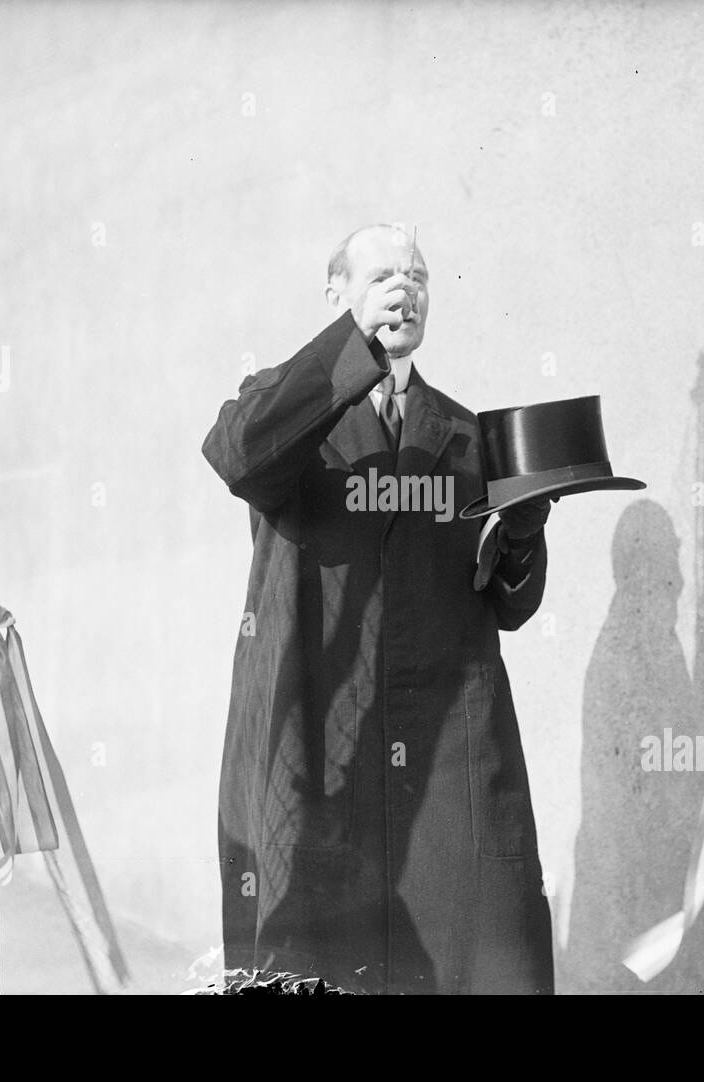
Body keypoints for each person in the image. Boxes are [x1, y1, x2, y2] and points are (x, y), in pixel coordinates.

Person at [203, 223, 554, 993]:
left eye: (420, 275)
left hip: (449, 740)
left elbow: (509, 604)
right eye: (384, 275)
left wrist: (525, 532)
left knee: (483, 943)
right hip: (315, 727)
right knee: (312, 958)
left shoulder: (465, 432)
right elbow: (236, 457)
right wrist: (355, 347)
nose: (407, 288)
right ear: (337, 295)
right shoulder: (283, 408)